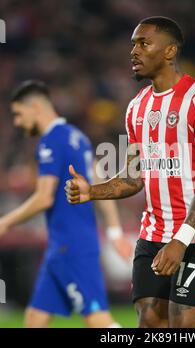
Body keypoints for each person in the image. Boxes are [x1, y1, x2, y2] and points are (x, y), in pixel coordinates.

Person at [65, 16, 195, 328]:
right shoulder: (136, 108)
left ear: (169, 51)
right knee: (149, 321)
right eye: (133, 44)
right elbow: (134, 177)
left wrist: (181, 240)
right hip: (152, 234)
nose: (133, 51)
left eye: (143, 43)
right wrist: (92, 192)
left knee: (184, 326)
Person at [0, 80, 132, 328]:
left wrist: (5, 222)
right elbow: (100, 184)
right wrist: (115, 232)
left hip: (71, 246)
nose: (17, 122)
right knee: (34, 320)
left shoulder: (50, 142)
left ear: (36, 107)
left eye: (18, 114)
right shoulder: (77, 137)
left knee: (98, 321)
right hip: (64, 246)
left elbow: (44, 197)